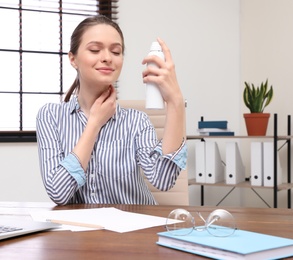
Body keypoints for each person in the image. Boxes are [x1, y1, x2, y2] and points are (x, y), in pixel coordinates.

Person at [36, 15, 187, 205]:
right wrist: (94, 124)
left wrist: (176, 102)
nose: (107, 58)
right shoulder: (50, 116)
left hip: (134, 228)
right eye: (95, 50)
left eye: (116, 52)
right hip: (81, 231)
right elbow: (58, 193)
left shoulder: (136, 121)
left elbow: (163, 180)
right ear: (73, 59)